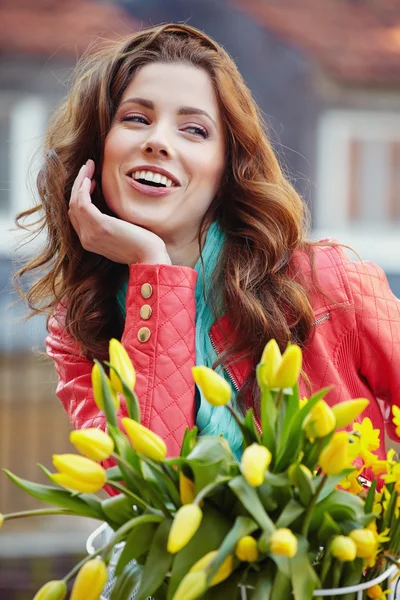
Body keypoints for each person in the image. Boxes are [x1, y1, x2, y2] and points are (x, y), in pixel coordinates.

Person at [15, 24, 400, 479]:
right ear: (97, 151)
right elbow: (148, 480)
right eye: (135, 118)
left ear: (227, 168)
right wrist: (152, 269)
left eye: (194, 130)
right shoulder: (81, 326)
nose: (158, 141)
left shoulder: (328, 282)